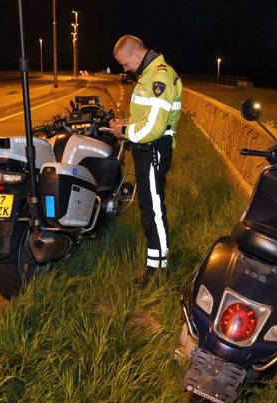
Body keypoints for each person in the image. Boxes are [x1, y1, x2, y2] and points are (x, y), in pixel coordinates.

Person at [109, 35, 182, 288]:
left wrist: (124, 132)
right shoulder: (150, 73)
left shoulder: (158, 77)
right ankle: (155, 262)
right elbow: (145, 117)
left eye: (124, 63)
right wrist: (126, 124)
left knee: (153, 210)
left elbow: (154, 127)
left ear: (137, 55)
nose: (124, 68)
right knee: (149, 206)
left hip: (153, 148)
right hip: (148, 149)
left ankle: (157, 270)